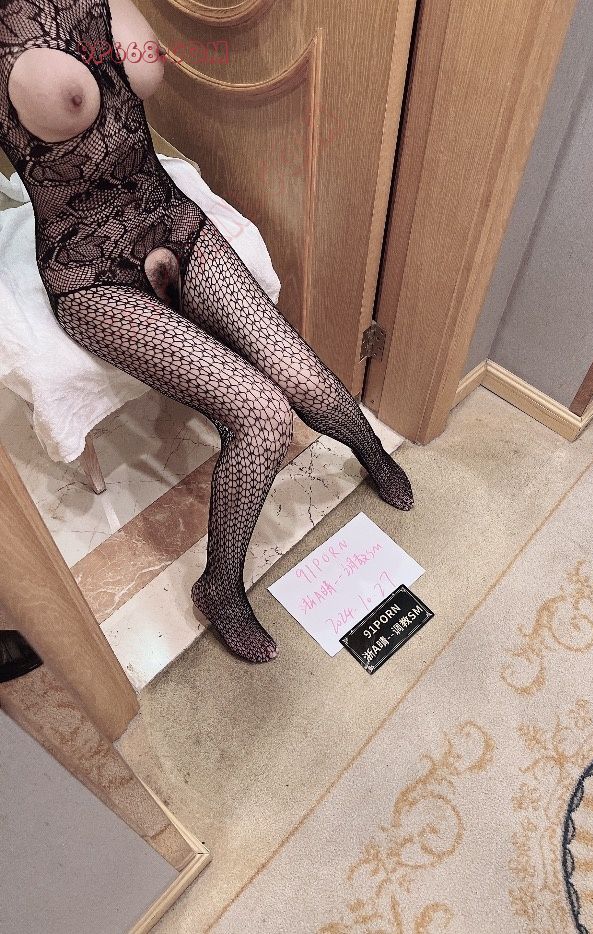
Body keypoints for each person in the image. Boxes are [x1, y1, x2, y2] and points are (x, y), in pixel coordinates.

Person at [0, 0, 413, 663]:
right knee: (262, 416)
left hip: (167, 215)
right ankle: (219, 587)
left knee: (301, 374)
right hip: (87, 267)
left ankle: (370, 450)